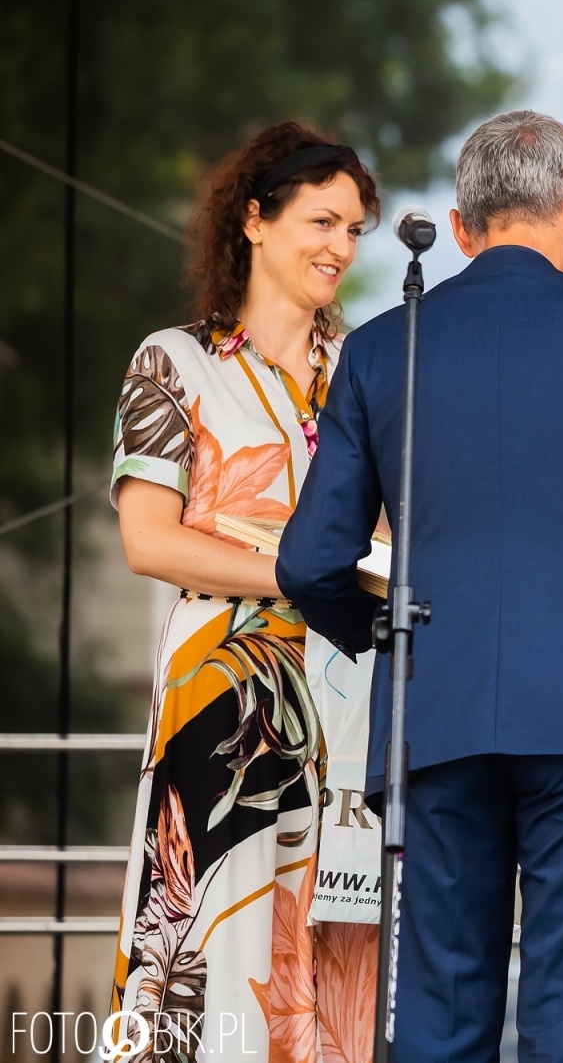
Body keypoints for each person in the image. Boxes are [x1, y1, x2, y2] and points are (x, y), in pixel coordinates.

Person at [275, 110, 563, 1062]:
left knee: (441, 1010)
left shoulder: (381, 348)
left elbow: (309, 563)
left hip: (437, 710)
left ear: (459, 228)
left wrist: (387, 633)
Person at [110, 123, 381, 1060]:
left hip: (345, 707)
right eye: (322, 220)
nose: (341, 247)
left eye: (354, 229)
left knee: (335, 955)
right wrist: (297, 573)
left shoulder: (367, 371)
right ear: (255, 220)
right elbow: (148, 540)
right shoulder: (173, 362)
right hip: (222, 703)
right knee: (216, 956)